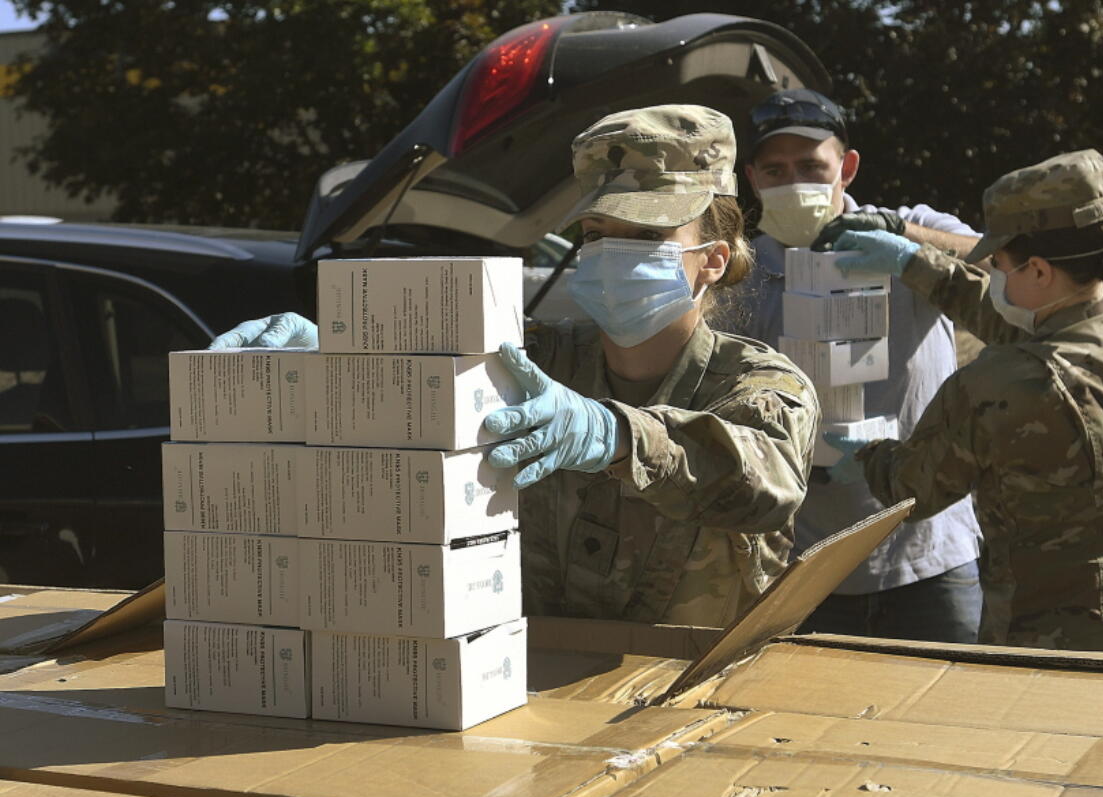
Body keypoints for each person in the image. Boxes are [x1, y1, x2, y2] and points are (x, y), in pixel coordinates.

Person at [211, 104, 819, 628]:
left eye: (643, 233)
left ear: (712, 258)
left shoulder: (762, 383)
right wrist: (341, 353)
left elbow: (765, 484)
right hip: (531, 696)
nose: (609, 252)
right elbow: (424, 370)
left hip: (691, 705)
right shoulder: (535, 359)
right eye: (595, 231)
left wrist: (615, 435)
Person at [823, 149, 1103, 655]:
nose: (994, 275)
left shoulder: (994, 384)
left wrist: (866, 455)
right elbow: (1039, 333)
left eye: (998, 264)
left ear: (1039, 272)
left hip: (1048, 654)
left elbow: (914, 489)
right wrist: (913, 262)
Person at [736, 88, 983, 643]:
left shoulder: (910, 225)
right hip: (810, 564)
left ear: (846, 168)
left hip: (929, 551)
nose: (793, 182)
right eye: (775, 171)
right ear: (751, 179)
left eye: (810, 166)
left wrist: (905, 245)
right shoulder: (746, 272)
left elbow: (1005, 265)